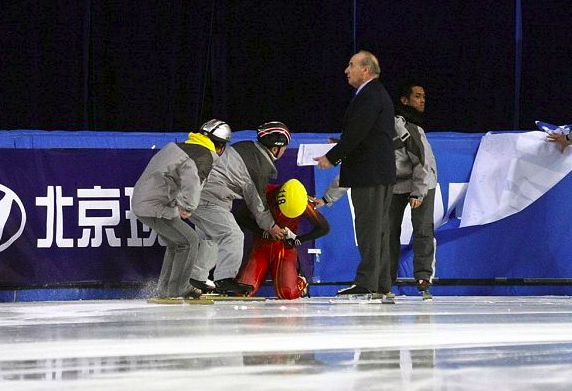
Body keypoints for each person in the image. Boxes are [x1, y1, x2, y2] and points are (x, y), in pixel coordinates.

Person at [313, 50, 396, 299]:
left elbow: (359, 132)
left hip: (370, 173)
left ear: (366, 70)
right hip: (377, 171)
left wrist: (333, 156)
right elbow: (368, 134)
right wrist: (342, 143)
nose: (346, 70)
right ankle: (381, 283)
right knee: (378, 230)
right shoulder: (375, 93)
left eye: (351, 65)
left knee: (369, 229)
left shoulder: (369, 94)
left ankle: (367, 282)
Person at [131, 119, 232, 299]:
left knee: (177, 243)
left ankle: (165, 290)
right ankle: (179, 289)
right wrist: (188, 205)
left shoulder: (180, 147)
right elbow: (192, 179)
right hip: (156, 205)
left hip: (147, 201)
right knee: (190, 240)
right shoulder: (203, 155)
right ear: (221, 146)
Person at [188, 122, 291, 294]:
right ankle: (225, 279)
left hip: (199, 195)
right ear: (275, 149)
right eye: (285, 147)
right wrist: (271, 226)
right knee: (233, 235)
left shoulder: (247, 146)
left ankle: (193, 281)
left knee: (211, 239)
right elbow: (257, 202)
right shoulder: (259, 165)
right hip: (208, 199)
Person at [236, 179, 330, 299]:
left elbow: (324, 227)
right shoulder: (262, 194)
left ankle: (300, 280)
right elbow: (241, 217)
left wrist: (298, 239)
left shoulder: (302, 201)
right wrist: (265, 233)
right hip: (261, 248)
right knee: (243, 292)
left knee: (287, 294)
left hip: (284, 249)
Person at [388, 83, 438, 297]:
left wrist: (418, 192)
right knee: (388, 231)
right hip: (397, 185)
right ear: (404, 100)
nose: (422, 100)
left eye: (423, 96)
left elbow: (422, 163)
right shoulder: (395, 124)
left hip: (424, 184)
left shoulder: (413, 128)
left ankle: (424, 276)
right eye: (417, 96)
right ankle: (385, 277)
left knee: (423, 230)